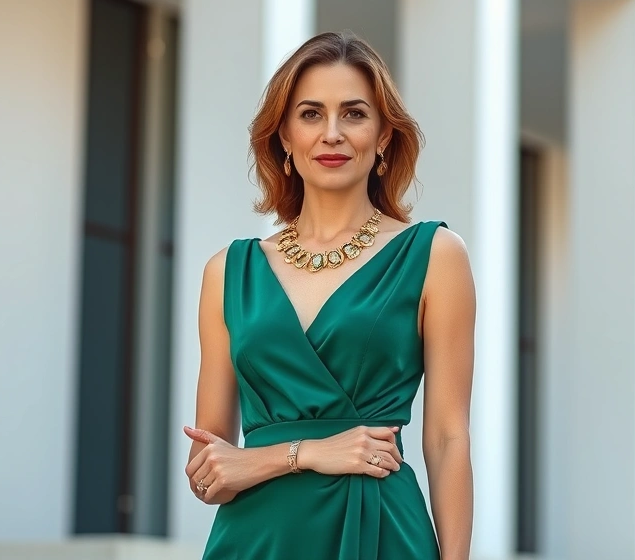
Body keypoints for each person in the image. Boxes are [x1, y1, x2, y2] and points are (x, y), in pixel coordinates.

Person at [183, 31, 475, 559]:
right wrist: (306, 453)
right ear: (284, 136)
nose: (333, 134)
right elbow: (212, 476)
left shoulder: (435, 254)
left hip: (382, 529)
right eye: (311, 114)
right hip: (258, 540)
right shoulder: (228, 272)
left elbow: (448, 437)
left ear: (385, 136)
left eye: (355, 114)